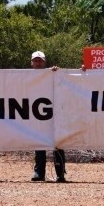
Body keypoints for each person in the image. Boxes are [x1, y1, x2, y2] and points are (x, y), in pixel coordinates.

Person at [29, 51, 66, 183]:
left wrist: (57, 72)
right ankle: (39, 172)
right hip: (36, 114)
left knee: (58, 142)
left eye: (40, 60)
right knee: (39, 142)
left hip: (54, 113)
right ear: (31, 62)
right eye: (36, 60)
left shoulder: (52, 74)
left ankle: (60, 173)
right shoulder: (25, 77)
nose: (38, 63)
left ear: (44, 62)